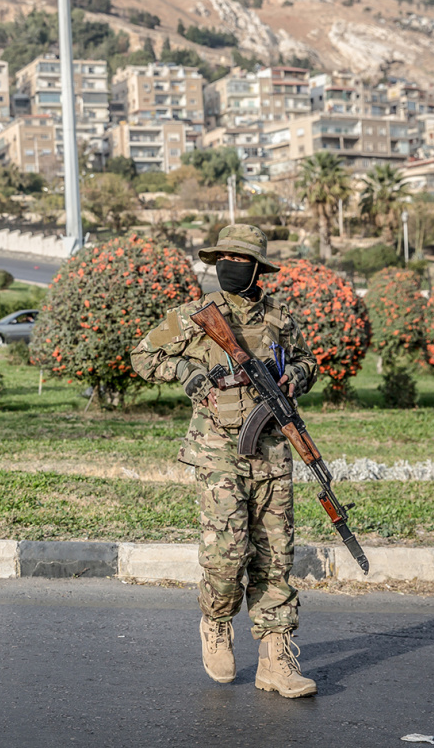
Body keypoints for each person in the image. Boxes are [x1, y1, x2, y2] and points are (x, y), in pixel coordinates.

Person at [129, 224, 319, 697]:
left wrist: (296, 375)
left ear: (258, 269)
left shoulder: (280, 319)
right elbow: (142, 356)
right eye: (223, 260)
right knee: (226, 556)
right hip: (217, 453)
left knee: (276, 557)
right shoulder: (194, 316)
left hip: (273, 453)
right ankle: (215, 622)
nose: (229, 267)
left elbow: (308, 362)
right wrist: (184, 369)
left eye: (240, 260)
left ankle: (275, 659)